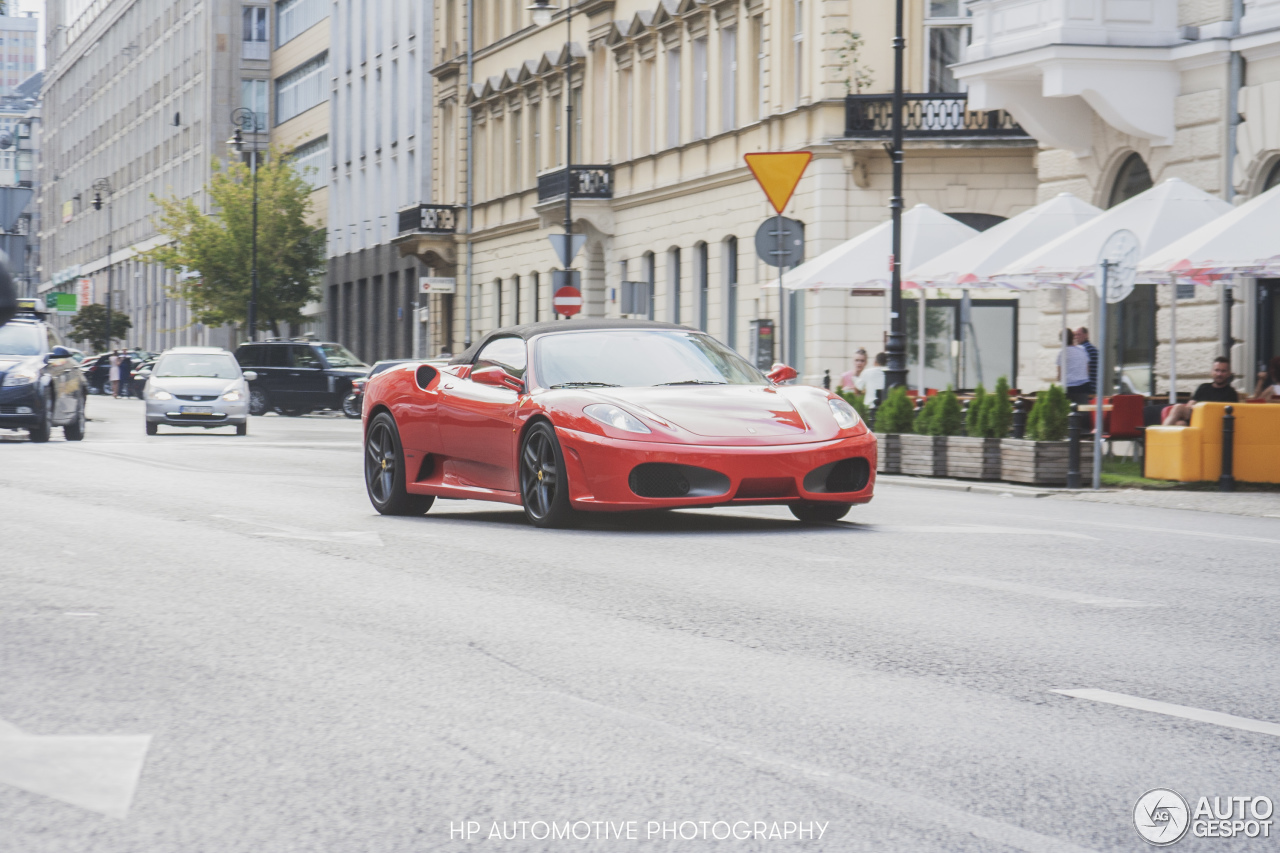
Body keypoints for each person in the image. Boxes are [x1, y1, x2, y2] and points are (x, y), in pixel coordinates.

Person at [1162, 356, 1239, 425]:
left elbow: (1226, 414)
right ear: (1211, 372)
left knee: (1179, 408)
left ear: (1229, 373)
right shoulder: (1203, 387)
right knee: (1180, 423)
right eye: (1217, 370)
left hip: (1212, 422)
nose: (1219, 374)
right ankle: (1162, 436)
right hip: (1196, 416)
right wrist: (1192, 405)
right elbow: (1190, 404)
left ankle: (1160, 435)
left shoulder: (1231, 393)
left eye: (1223, 371)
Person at [1058, 329, 1091, 404]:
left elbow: (1060, 376)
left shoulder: (1062, 353)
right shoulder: (1082, 350)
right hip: (1084, 386)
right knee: (1083, 410)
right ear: (1073, 338)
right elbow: (1087, 370)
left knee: (1069, 412)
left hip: (1069, 387)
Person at [1074, 327, 1098, 397]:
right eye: (1075, 335)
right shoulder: (1093, 349)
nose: (1076, 337)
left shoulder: (1082, 350)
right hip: (1094, 386)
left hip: (1085, 388)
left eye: (1078, 334)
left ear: (1086, 335)